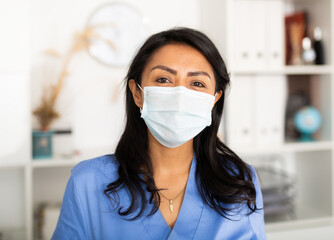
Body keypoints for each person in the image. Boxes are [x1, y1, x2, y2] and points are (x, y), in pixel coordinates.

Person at [52, 27, 266, 240]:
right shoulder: (88, 183)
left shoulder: (239, 181)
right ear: (137, 93)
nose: (180, 95)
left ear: (214, 100)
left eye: (197, 83)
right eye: (163, 80)